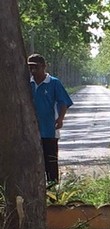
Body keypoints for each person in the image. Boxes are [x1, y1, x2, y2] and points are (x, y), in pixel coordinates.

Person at [28, 53, 73, 184]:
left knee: (51, 161)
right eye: (30, 67)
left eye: (36, 67)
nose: (33, 70)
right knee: (33, 162)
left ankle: (53, 188)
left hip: (49, 130)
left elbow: (63, 102)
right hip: (31, 131)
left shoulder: (53, 83)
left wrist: (60, 119)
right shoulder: (27, 83)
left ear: (44, 66)